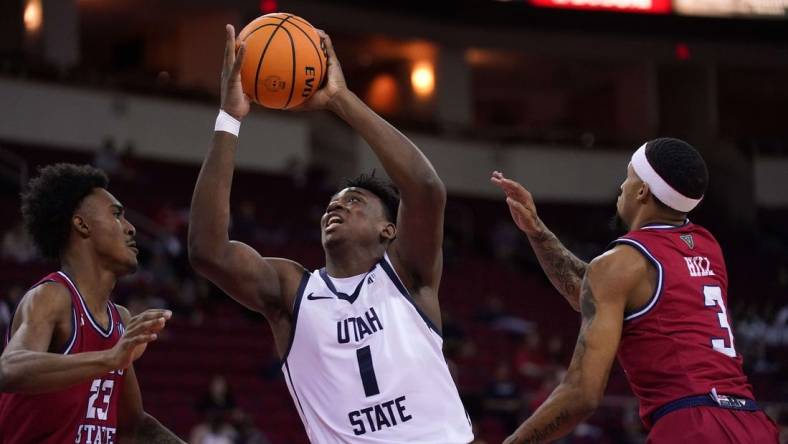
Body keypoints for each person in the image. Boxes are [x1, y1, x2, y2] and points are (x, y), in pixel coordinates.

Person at [188, 25, 472, 443]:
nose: (337, 206)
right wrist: (229, 118)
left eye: (355, 200)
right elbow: (207, 251)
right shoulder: (291, 291)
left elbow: (425, 189)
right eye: (333, 203)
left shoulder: (408, 275)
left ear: (388, 230)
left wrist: (341, 100)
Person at [491, 138, 779, 443]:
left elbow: (582, 394)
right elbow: (589, 291)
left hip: (692, 426)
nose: (622, 187)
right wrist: (537, 231)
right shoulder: (707, 247)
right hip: (753, 422)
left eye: (628, 177)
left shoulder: (623, 263)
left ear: (642, 190)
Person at [0, 163, 183, 443]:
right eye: (117, 215)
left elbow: (134, 426)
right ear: (82, 224)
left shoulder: (119, 319)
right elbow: (9, 368)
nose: (131, 228)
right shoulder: (53, 296)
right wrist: (110, 358)